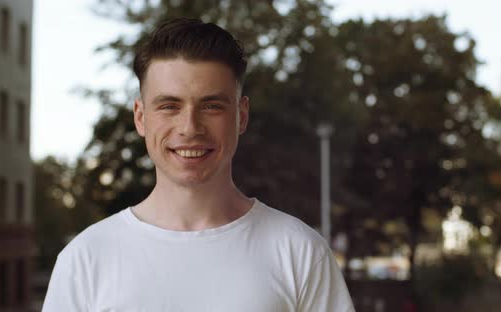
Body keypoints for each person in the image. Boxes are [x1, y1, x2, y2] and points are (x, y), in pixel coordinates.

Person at [42, 18, 355, 311]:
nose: (190, 128)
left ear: (241, 116)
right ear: (140, 117)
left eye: (211, 106)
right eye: (169, 106)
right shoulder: (85, 258)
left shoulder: (300, 252)